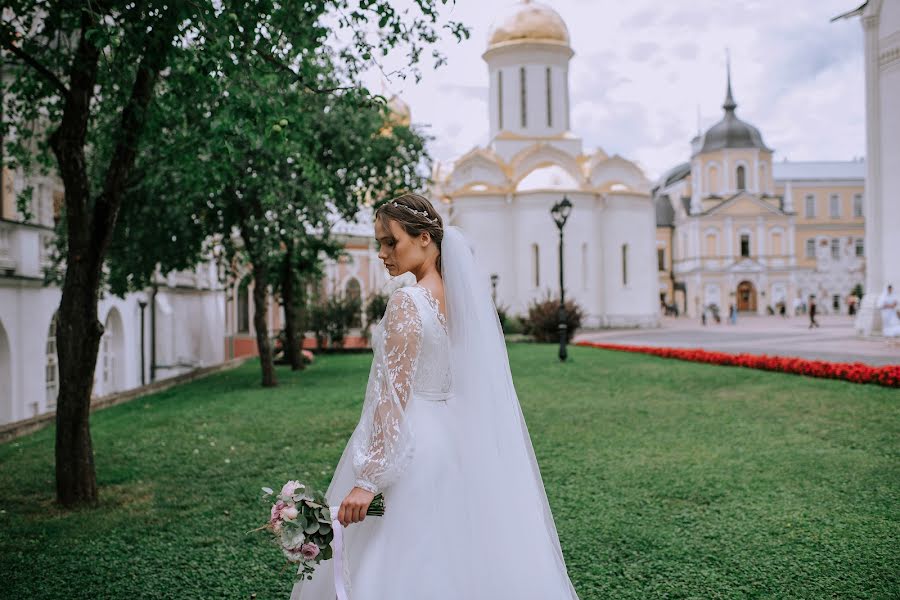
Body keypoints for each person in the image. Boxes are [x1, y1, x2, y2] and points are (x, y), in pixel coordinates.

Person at [291, 194, 579, 600]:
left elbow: (392, 395)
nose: (383, 254)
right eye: (379, 243)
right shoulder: (457, 298)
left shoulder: (408, 302)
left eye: (391, 242)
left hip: (414, 447)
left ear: (425, 237)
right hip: (454, 438)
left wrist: (368, 480)